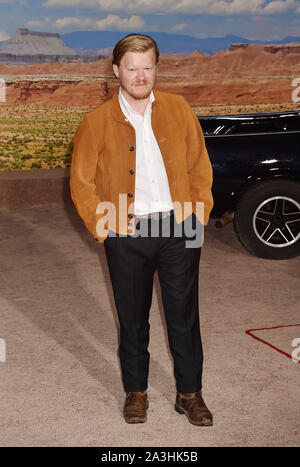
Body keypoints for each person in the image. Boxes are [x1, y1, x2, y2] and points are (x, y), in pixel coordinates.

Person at [70, 34, 214, 426]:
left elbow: (200, 166)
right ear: (116, 70)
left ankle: (189, 394)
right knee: (132, 317)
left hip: (180, 226)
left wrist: (198, 216)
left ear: (156, 68)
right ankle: (136, 392)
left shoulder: (179, 109)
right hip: (125, 230)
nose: (140, 75)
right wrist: (105, 229)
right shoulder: (96, 121)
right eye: (131, 68)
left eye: (147, 67)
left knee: (184, 314)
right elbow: (81, 182)